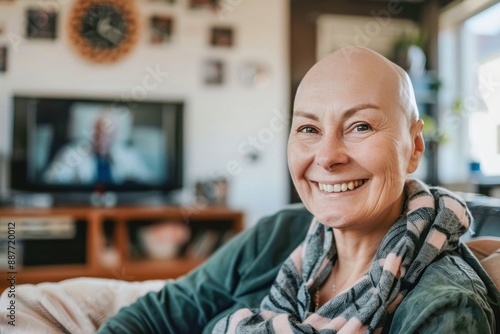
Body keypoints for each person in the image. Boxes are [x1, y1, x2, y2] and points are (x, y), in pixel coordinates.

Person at [97, 47, 500, 333]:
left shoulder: (444, 309)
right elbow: (152, 318)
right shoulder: (279, 233)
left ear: (413, 148)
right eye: (308, 129)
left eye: (360, 126)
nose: (326, 157)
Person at [43, 111, 153, 185]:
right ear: (93, 131)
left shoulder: (128, 156)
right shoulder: (73, 153)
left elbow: (150, 181)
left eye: (110, 132)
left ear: (116, 134)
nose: (104, 136)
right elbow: (50, 180)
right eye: (101, 130)